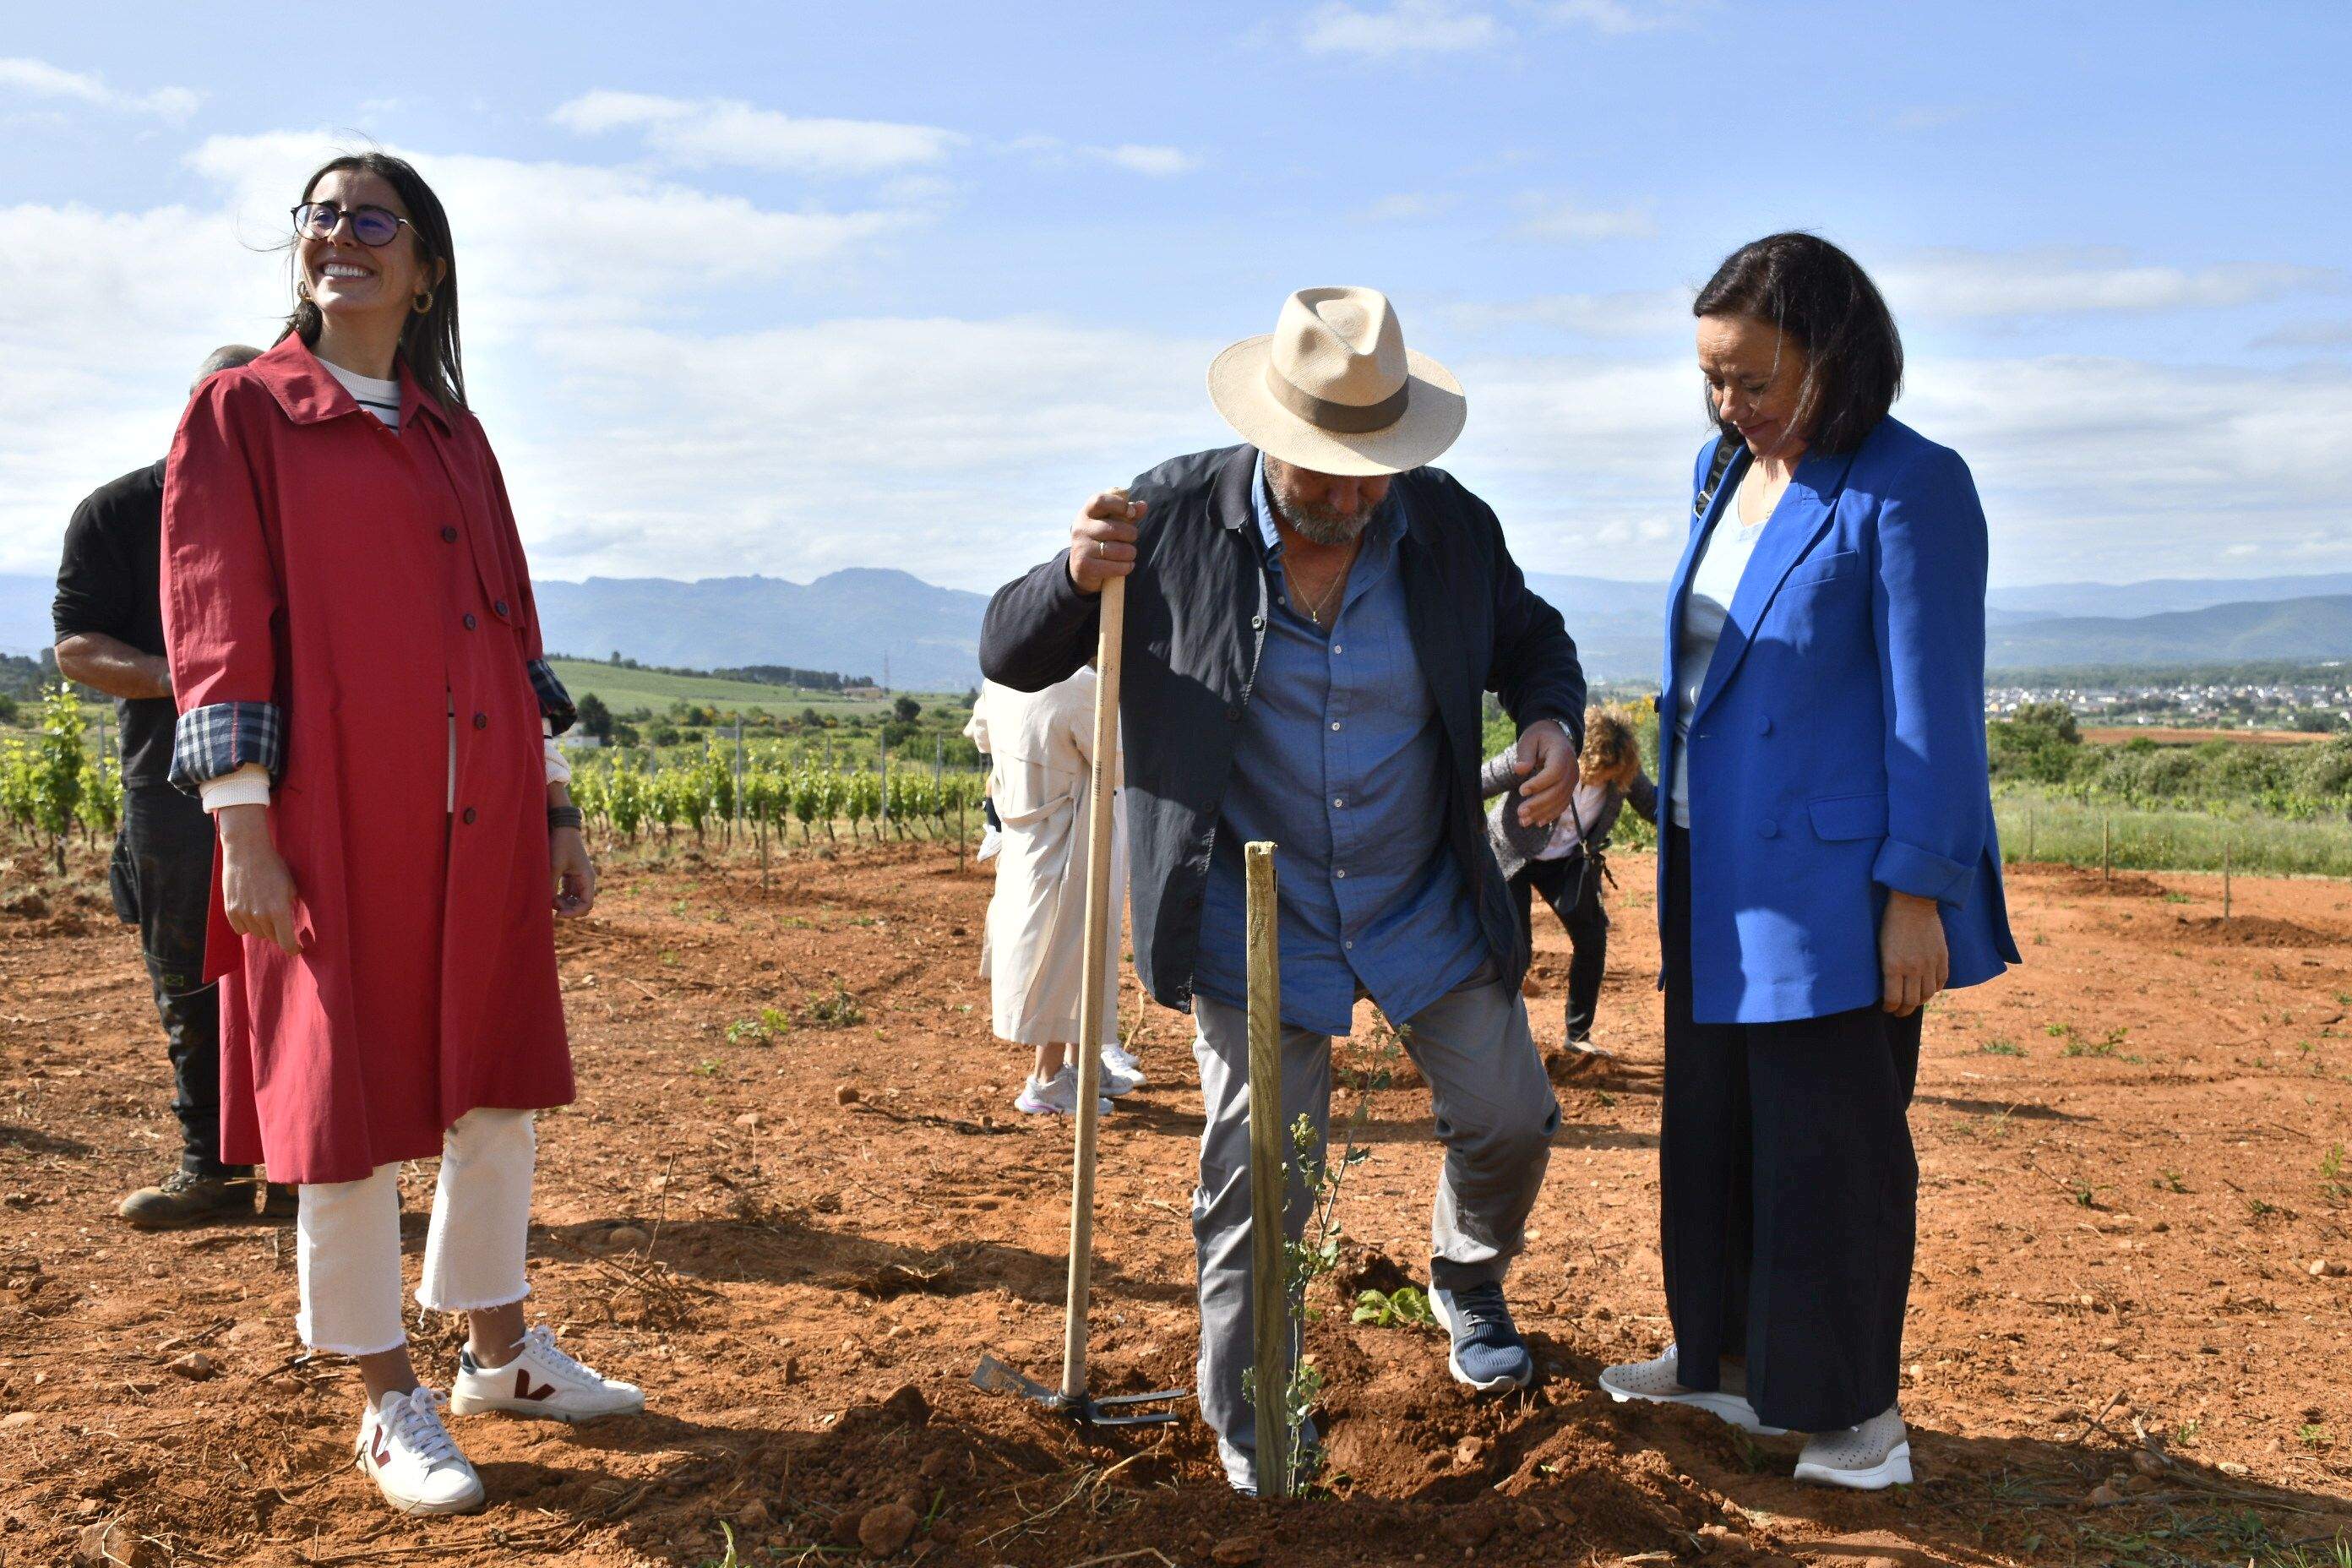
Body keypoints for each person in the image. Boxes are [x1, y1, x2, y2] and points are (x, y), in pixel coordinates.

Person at [982, 286, 1586, 1493]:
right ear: (1270, 436)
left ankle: (1464, 1276)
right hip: (1249, 913)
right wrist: (1068, 573)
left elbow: (1531, 638)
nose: (1357, 501)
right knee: (1262, 1179)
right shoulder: (1165, 523)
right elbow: (1012, 651)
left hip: (1421, 893)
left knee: (1511, 1117)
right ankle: (1260, 1443)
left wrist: (1553, 721)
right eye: (1329, 474)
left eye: (1377, 474)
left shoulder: (1448, 527)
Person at [161, 152, 642, 1519]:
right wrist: (241, 824)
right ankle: (385, 1395)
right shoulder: (241, 415)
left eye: (372, 220)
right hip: (328, 820)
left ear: (423, 265)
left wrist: (554, 804)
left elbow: (513, 630)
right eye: (319, 218)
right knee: (344, 1100)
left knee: (498, 1077)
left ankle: (501, 1353)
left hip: (480, 814)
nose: (339, 238)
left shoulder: (453, 435)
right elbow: (213, 629)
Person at [1598, 233, 2019, 1490]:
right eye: (1713, 380)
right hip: (1715, 876)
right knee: (1717, 1127)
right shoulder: (1722, 473)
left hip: (1837, 892)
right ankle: (1724, 1362)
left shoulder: (1909, 486)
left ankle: (1854, 1423)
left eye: (1755, 380)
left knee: (1826, 1151)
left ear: (1835, 357)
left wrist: (1916, 895)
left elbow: (1931, 709)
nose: (1731, 406)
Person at [52, 345, 299, 1228]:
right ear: (197, 411)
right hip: (171, 783)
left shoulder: (308, 501)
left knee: (306, 969)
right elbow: (77, 646)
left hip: (308, 776)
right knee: (191, 972)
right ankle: (216, 1167)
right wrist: (191, 676)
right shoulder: (118, 512)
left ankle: (312, 1169)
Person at [965, 672, 1142, 1116]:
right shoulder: (1079, 687)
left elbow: (981, 736)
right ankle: (1047, 1081)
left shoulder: (1003, 681)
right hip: (1071, 836)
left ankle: (1079, 1068)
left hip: (1026, 832)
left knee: (1070, 951)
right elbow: (1121, 762)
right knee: (1066, 954)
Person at [1478, 704, 1655, 1055]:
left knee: (1592, 941)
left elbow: (1654, 807)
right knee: (1516, 948)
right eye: (1596, 771)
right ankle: (1504, 1043)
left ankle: (1578, 1036)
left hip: (1567, 863)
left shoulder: (1622, 770)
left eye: (1608, 775)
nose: (1599, 780)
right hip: (1511, 852)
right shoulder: (1545, 754)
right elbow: (1479, 782)